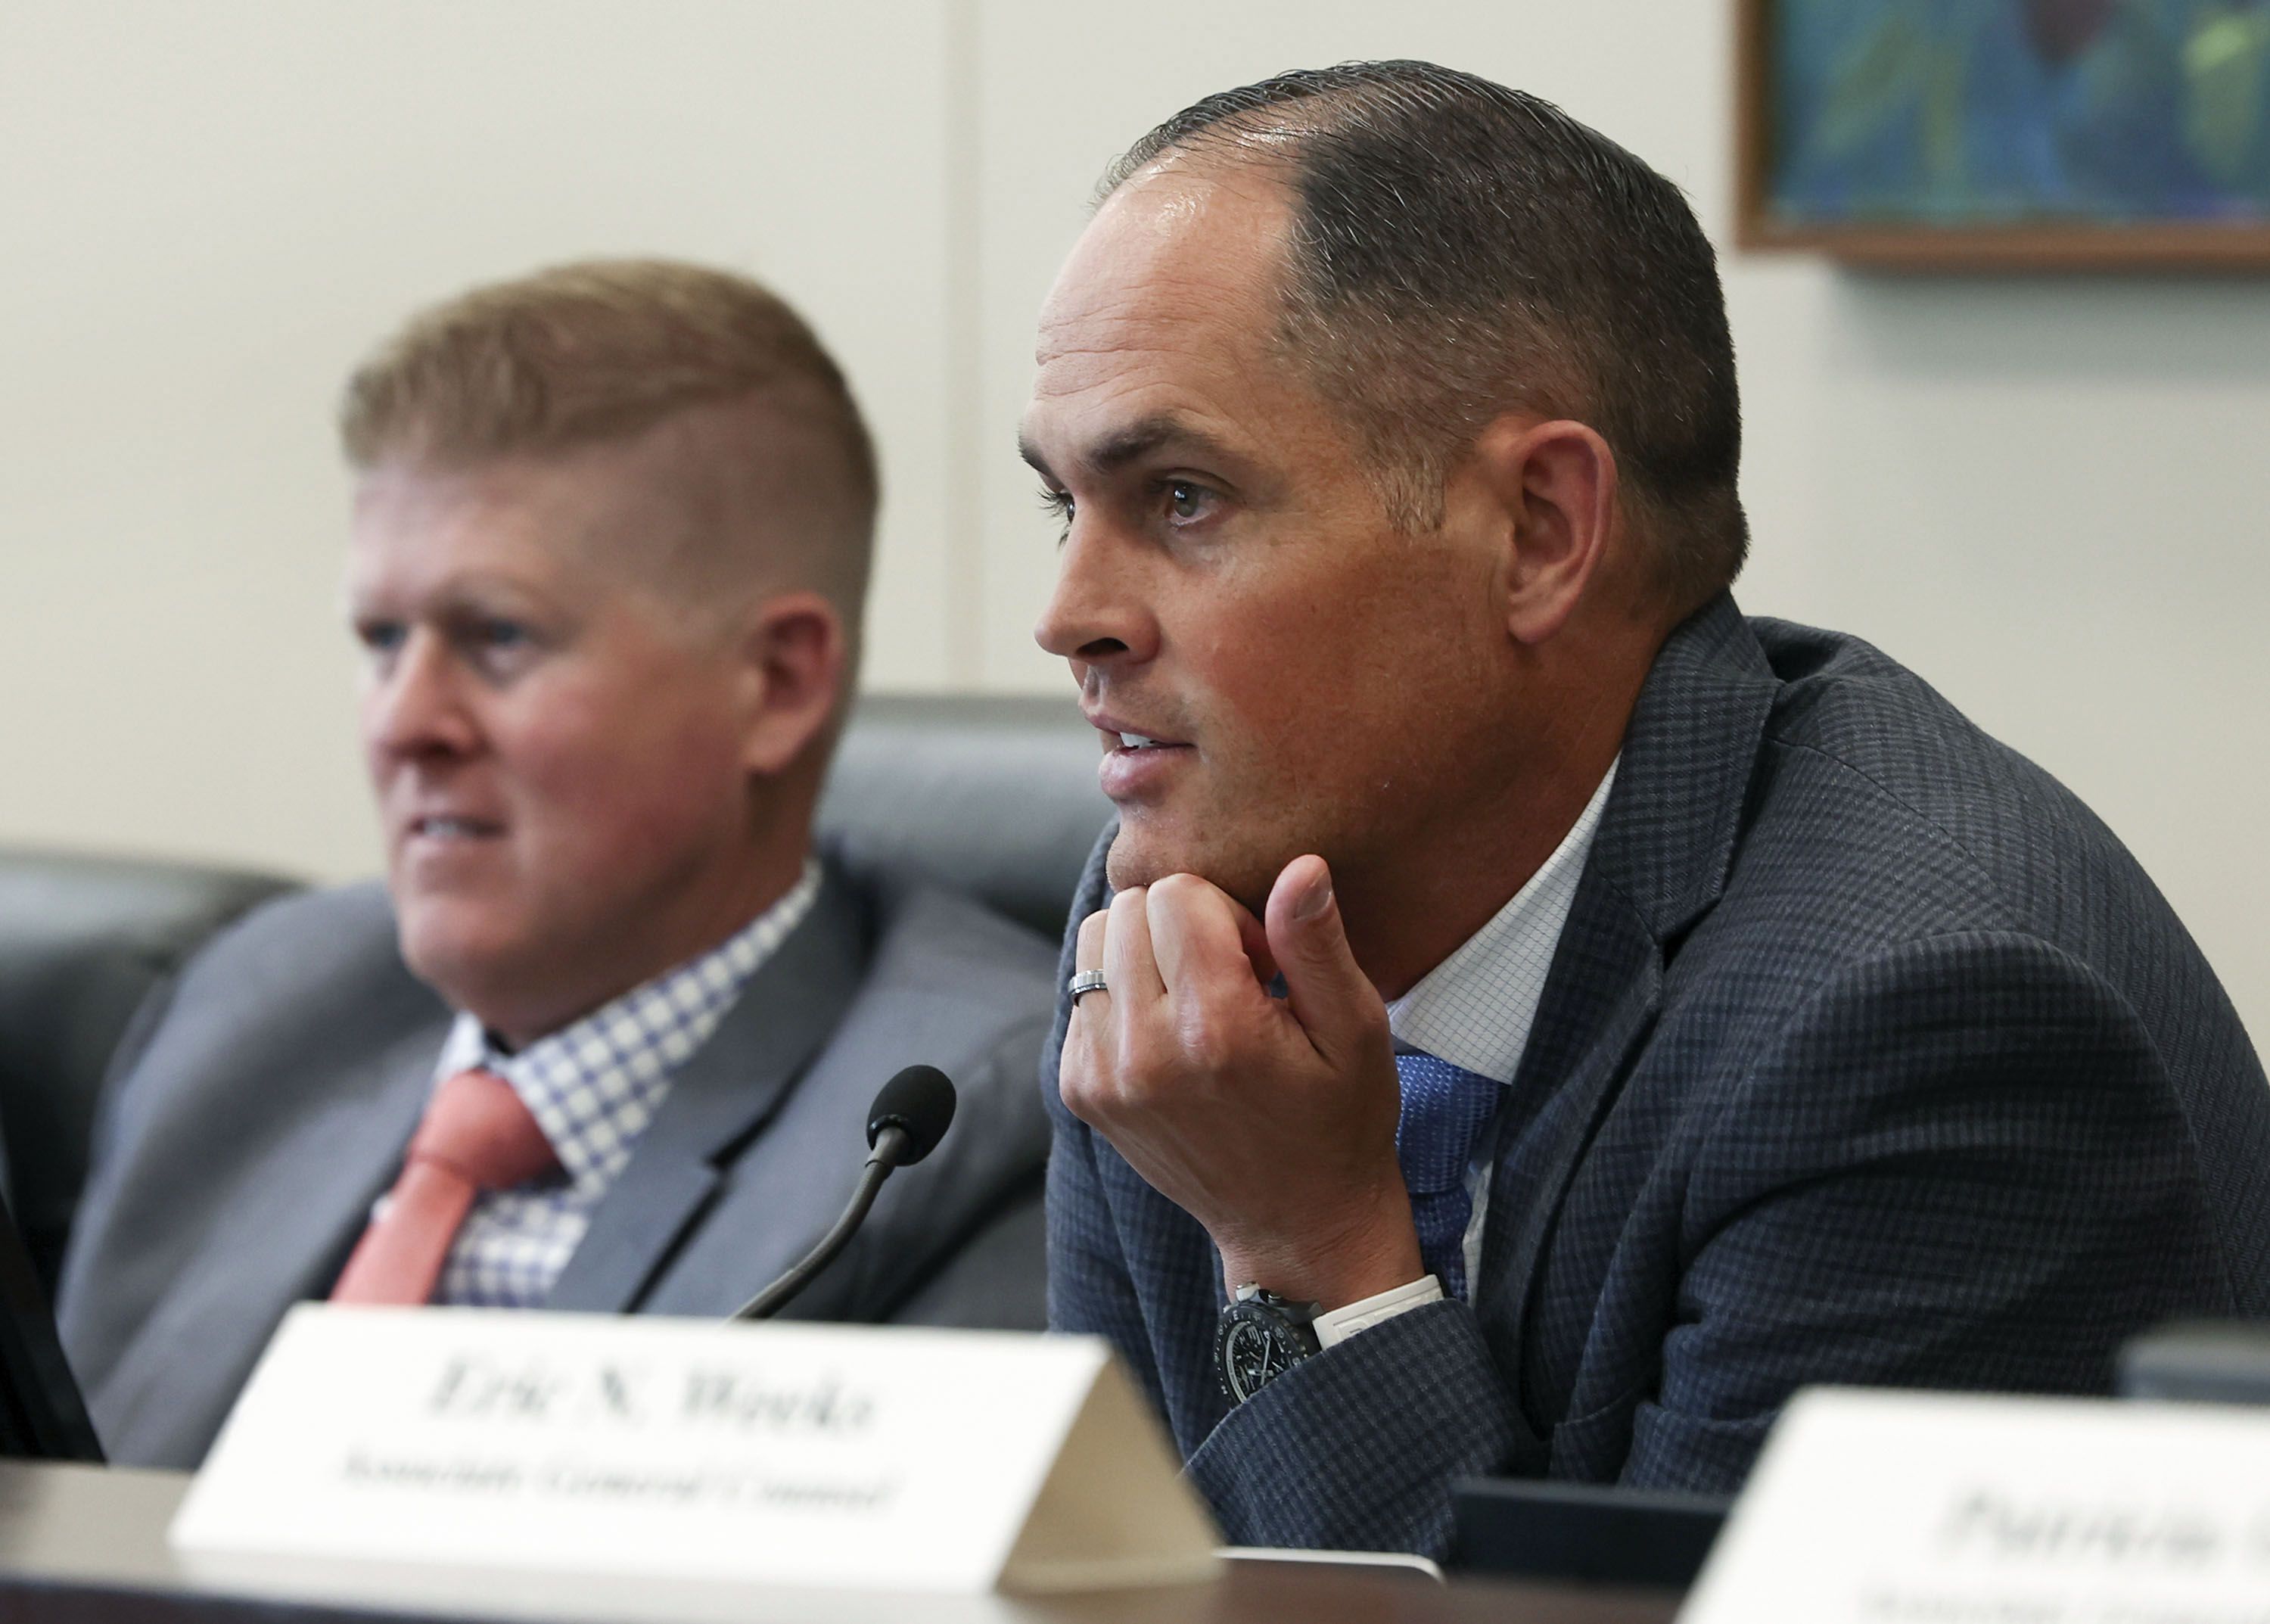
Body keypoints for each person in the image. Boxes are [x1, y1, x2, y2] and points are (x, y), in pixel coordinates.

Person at [1025, 62, 2270, 1557]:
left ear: (1540, 532)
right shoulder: (1178, 943)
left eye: (1180, 498)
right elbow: (1099, 1583)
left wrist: (1310, 1256)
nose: (1070, 614)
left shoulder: (1921, 1026)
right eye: (1061, 505)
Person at [60, 260, 1056, 1469]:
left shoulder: (959, 1128)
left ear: (778, 682)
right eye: (382, 639)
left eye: (496, 637)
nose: (402, 721)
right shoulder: (249, 1008)